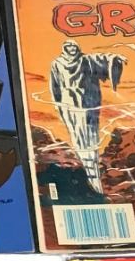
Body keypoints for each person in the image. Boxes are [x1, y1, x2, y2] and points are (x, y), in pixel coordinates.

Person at [48, 40, 124, 190]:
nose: (71, 49)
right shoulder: (57, 64)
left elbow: (103, 59)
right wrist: (58, 104)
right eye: (68, 47)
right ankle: (85, 169)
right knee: (76, 134)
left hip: (88, 103)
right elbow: (54, 86)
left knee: (90, 135)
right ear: (64, 48)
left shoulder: (86, 60)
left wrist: (115, 59)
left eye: (73, 46)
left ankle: (93, 171)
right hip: (69, 104)